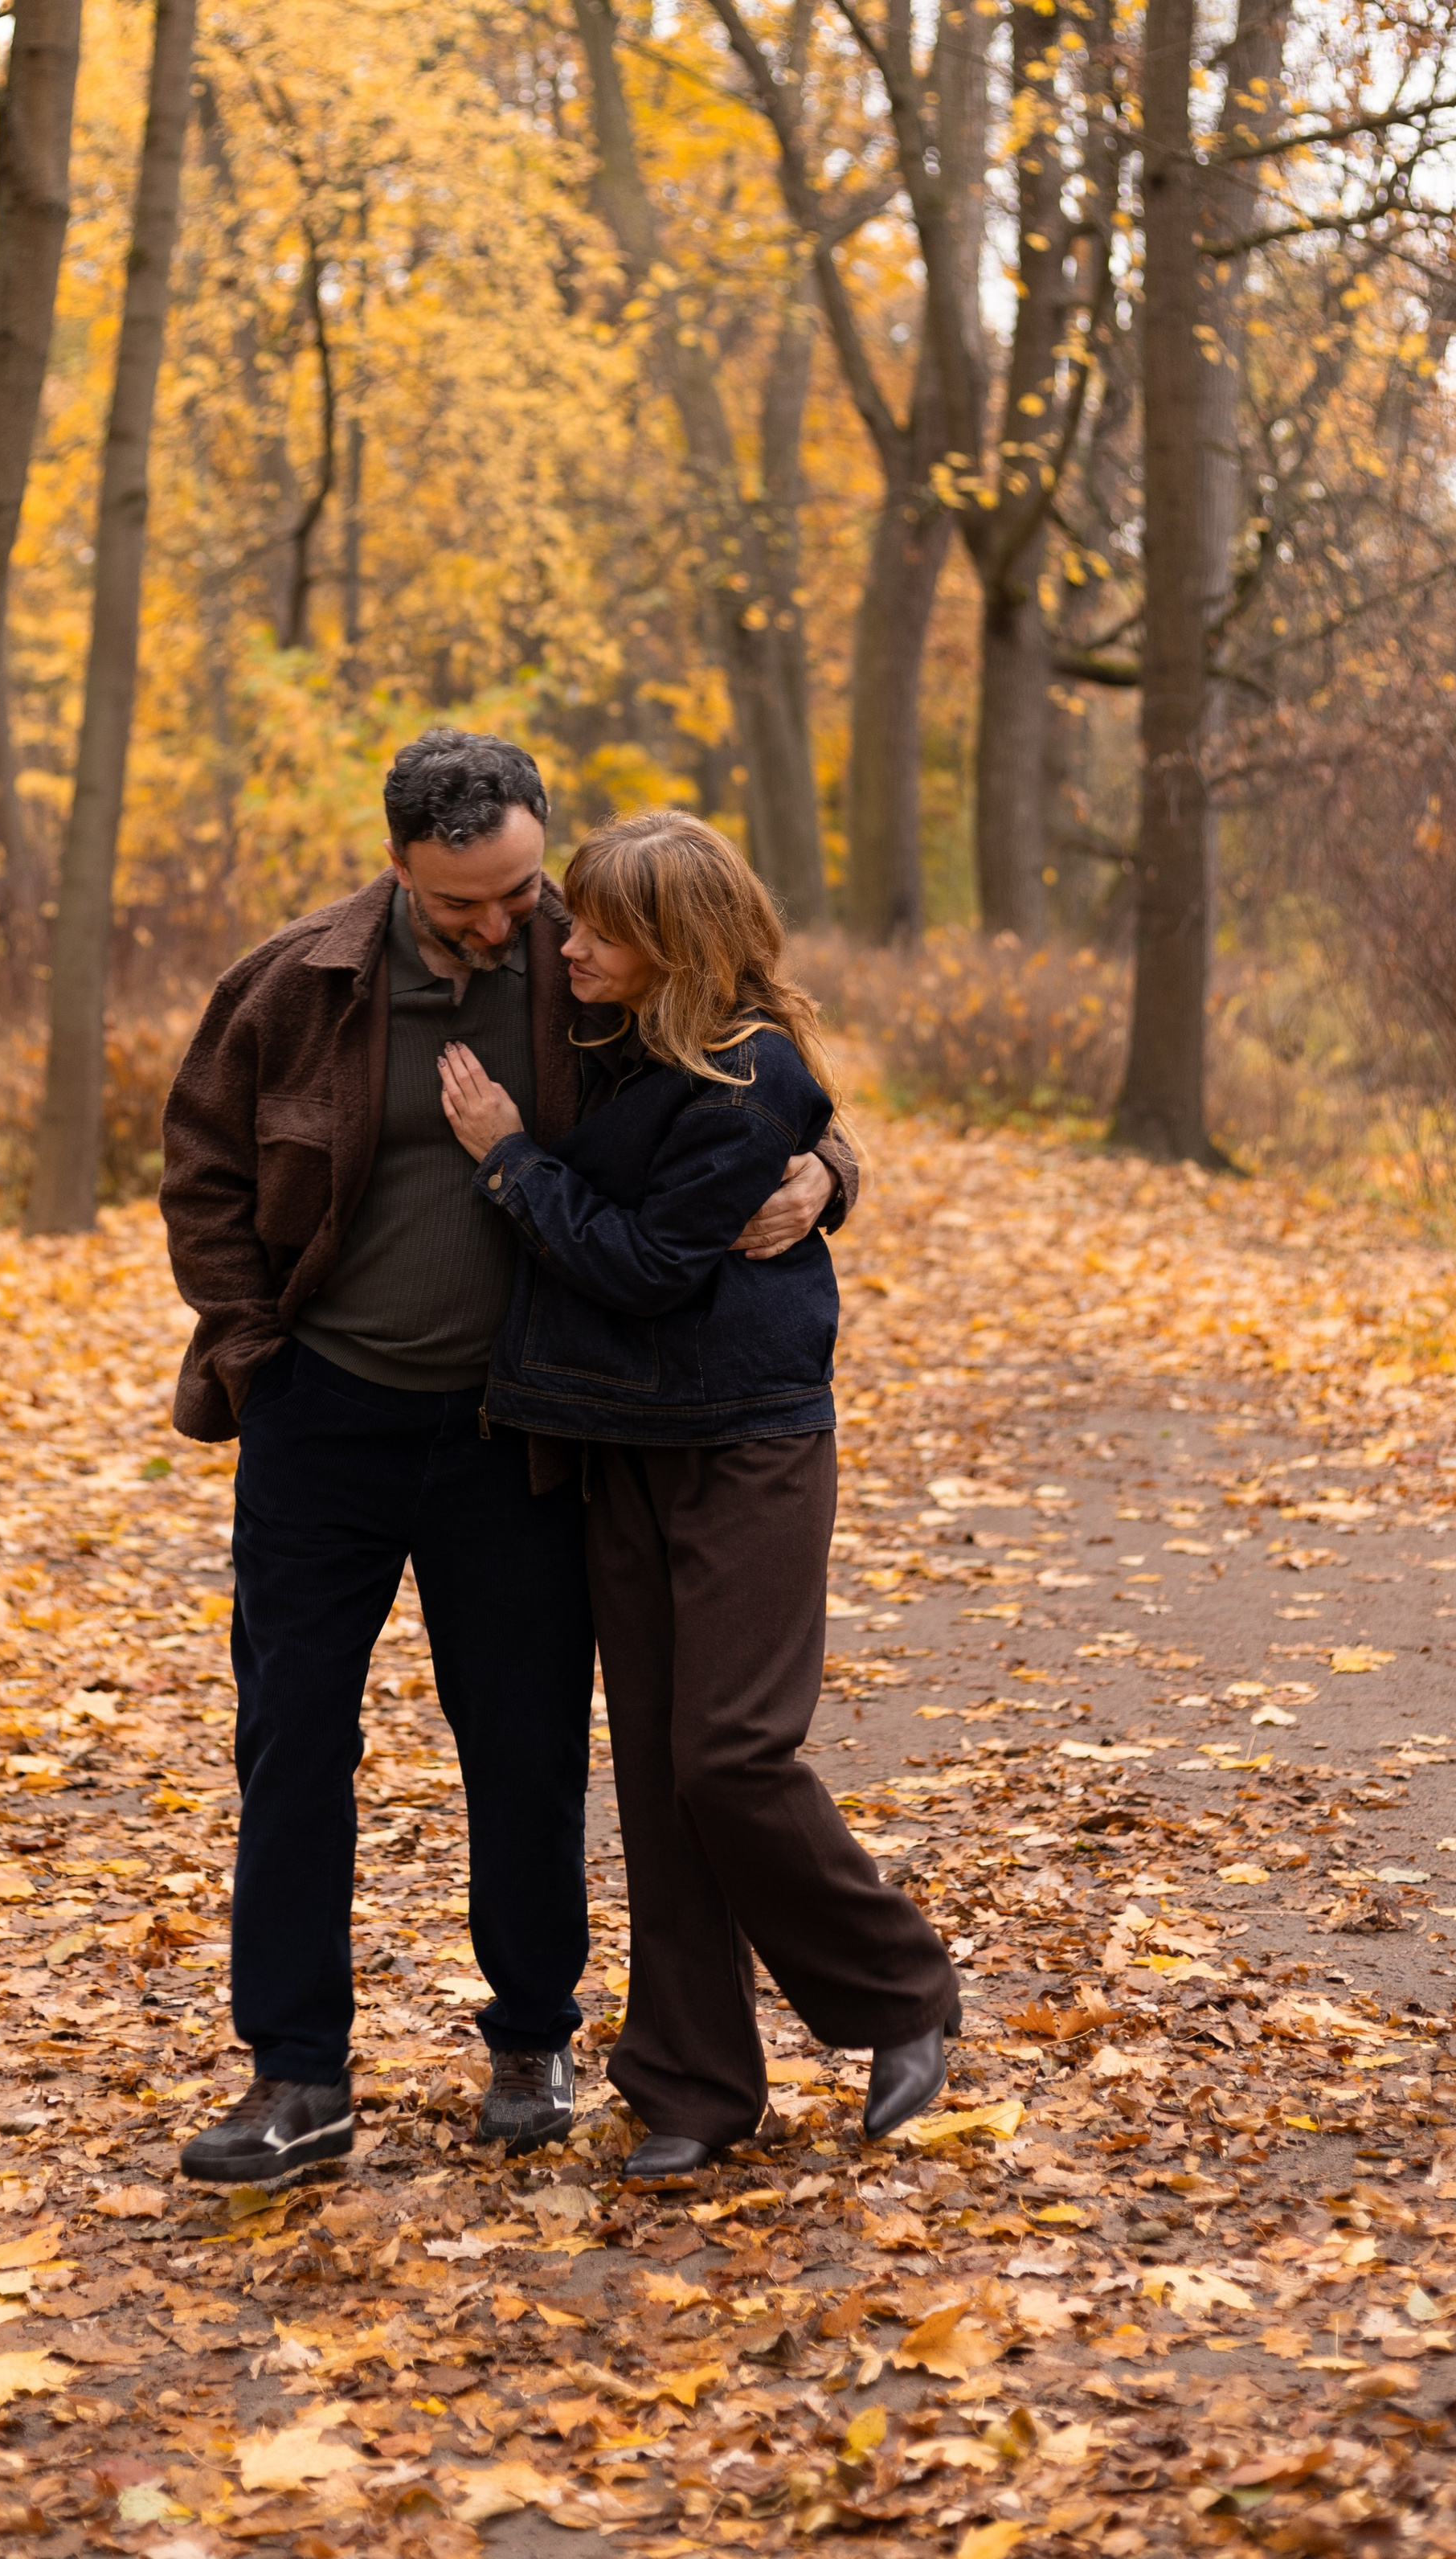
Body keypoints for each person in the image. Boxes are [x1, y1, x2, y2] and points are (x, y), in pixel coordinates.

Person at [159, 734, 855, 2185]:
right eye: (466, 902)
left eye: (524, 889)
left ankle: (532, 2043)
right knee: (293, 1746)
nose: (504, 924)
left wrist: (827, 1174)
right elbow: (205, 1167)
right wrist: (252, 1355)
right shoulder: (296, 983)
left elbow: (765, 1083)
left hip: (520, 1433)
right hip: (323, 1422)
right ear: (401, 863)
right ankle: (296, 2077)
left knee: (527, 1750)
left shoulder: (594, 966)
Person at [436, 807, 959, 2175]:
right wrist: (835, 1175)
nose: (569, 943)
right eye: (580, 920)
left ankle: (902, 1994)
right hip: (617, 1447)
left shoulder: (746, 1078)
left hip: (747, 1443)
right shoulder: (604, 1024)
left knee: (730, 1755)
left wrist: (505, 1157)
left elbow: (642, 1265)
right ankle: (691, 2087)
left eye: (604, 930)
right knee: (663, 1778)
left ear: (679, 947)